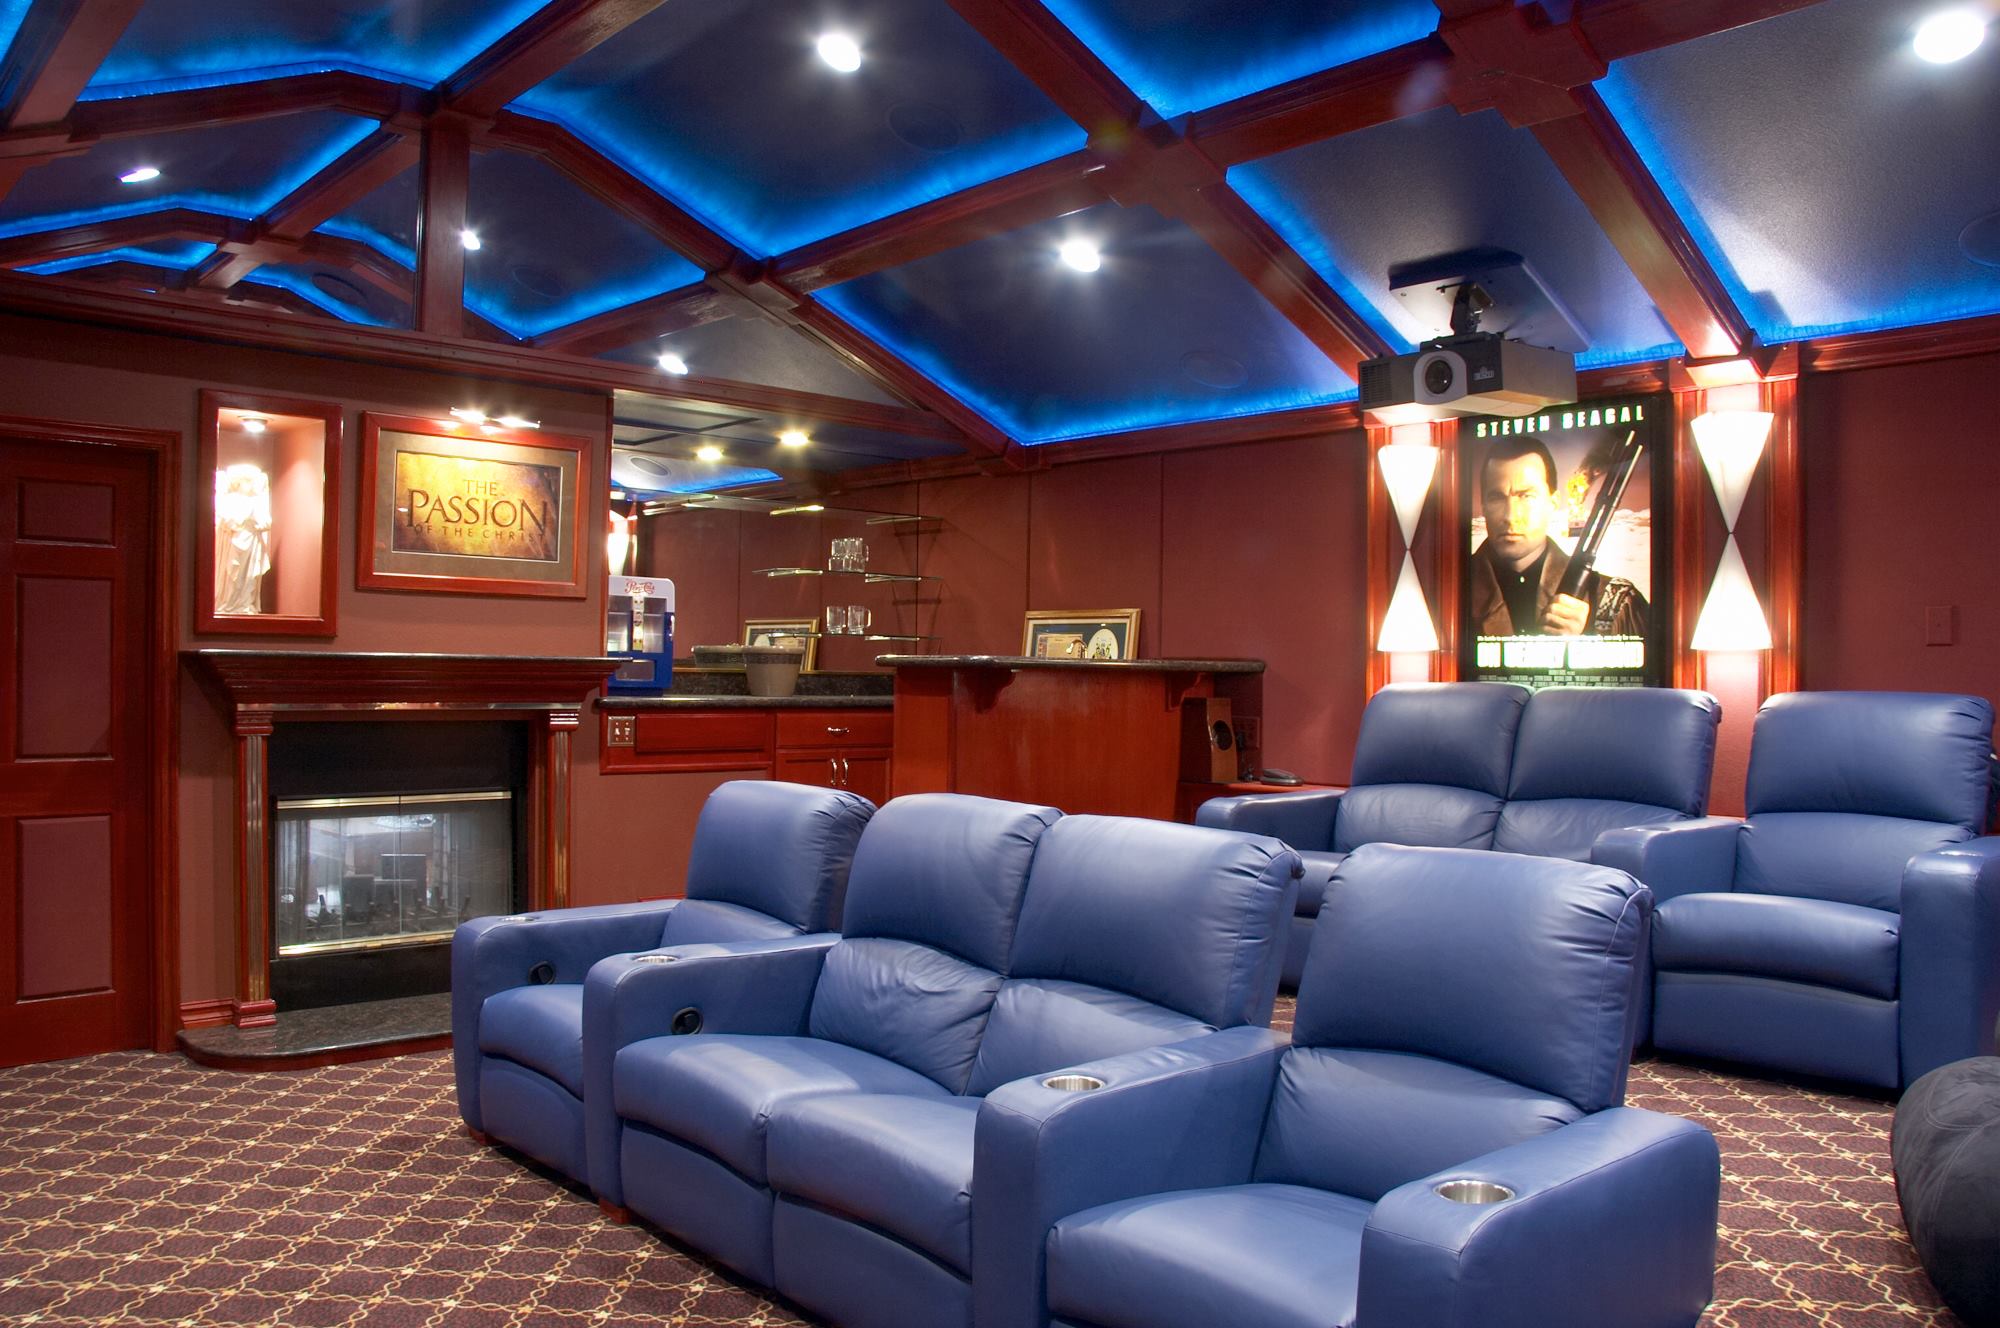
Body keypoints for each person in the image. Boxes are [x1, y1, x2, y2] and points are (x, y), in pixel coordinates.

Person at [1468, 437, 1647, 637]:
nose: (1510, 516)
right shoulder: (1446, 591)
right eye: (1496, 497)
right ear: (1483, 506)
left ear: (1553, 503)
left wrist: (1586, 641)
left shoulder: (1615, 601)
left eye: (1526, 496)